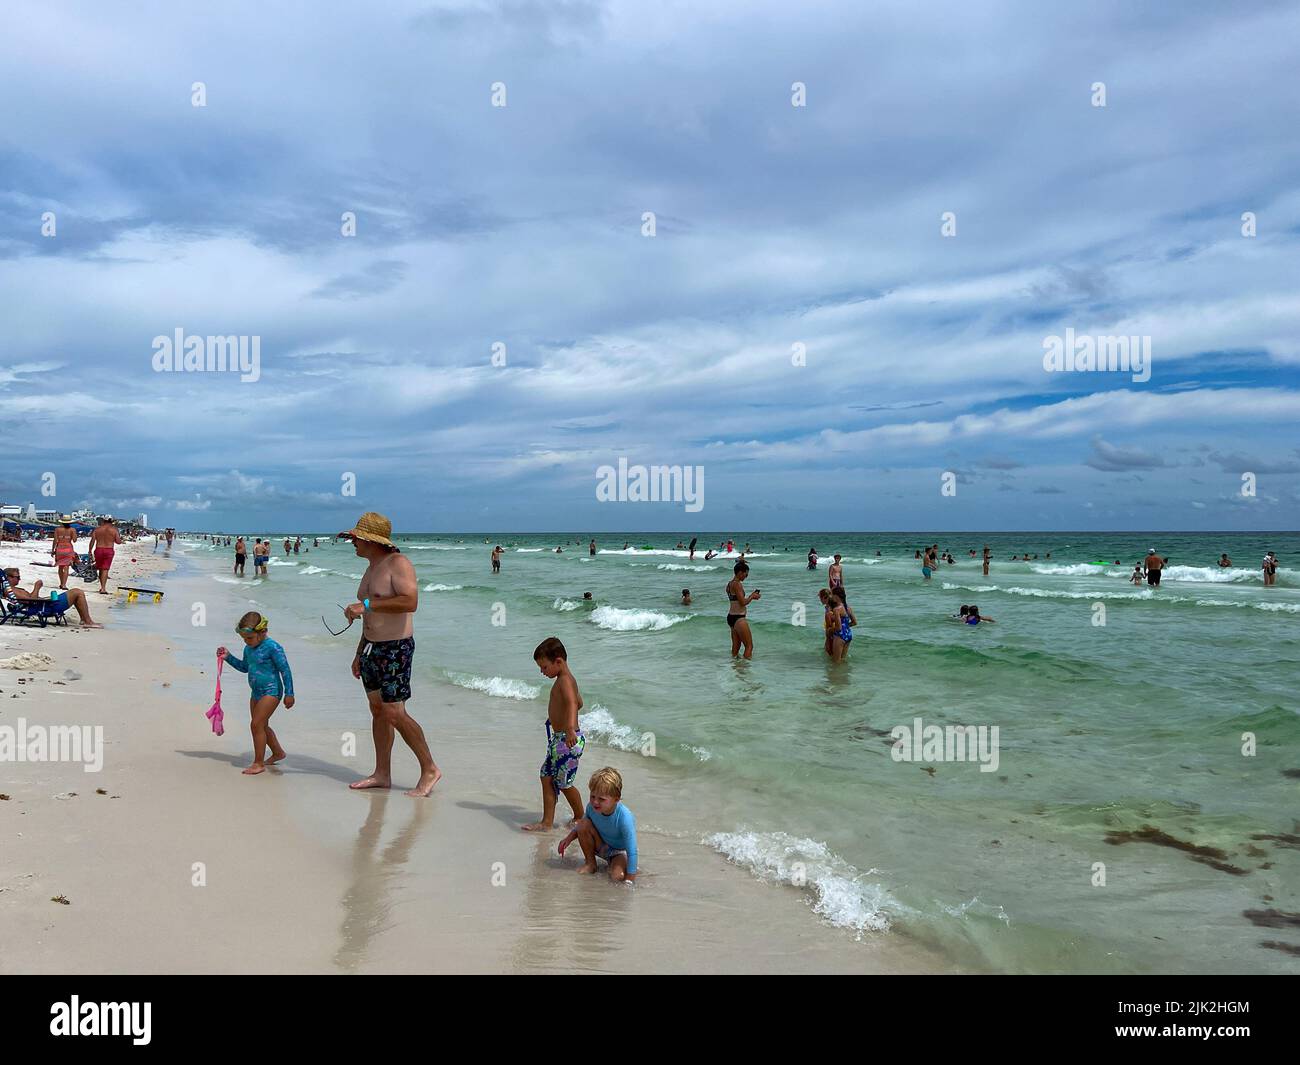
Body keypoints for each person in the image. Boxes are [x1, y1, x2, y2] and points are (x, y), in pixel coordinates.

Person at [340, 512, 440, 797]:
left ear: (372, 540)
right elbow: (369, 614)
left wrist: (366, 605)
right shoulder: (371, 566)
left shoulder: (399, 563)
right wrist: (359, 652)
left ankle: (430, 768)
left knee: (394, 712)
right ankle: (382, 773)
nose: (353, 542)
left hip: (396, 648)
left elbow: (410, 601)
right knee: (378, 711)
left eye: (356, 538)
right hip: (371, 647)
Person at [217, 612, 295, 775]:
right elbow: (245, 668)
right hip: (256, 692)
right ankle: (278, 752)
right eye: (244, 639)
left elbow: (285, 670)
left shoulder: (273, 647)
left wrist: (289, 693)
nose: (246, 641)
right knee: (262, 725)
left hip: (272, 690)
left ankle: (258, 763)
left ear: (262, 632)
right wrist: (228, 657)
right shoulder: (248, 648)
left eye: (250, 638)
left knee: (256, 725)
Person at [522, 637, 586, 832]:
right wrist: (556, 718)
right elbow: (579, 701)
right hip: (559, 739)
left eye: (544, 667)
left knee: (565, 783)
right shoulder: (565, 680)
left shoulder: (565, 681)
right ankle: (547, 822)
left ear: (558, 661)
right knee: (546, 776)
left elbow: (573, 704)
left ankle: (580, 816)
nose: (542, 671)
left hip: (568, 740)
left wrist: (568, 728)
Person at [558, 767, 638, 882]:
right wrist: (568, 839)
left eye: (601, 799)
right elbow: (581, 826)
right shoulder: (591, 808)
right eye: (592, 796)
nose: (595, 802)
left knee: (618, 877)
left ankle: (620, 866)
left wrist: (630, 880)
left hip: (619, 852)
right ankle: (591, 864)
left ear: (616, 799)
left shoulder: (625, 817)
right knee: (584, 823)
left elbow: (632, 851)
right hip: (601, 845)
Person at [2, 567, 101, 626]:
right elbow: (30, 601)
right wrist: (37, 587)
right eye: (17, 577)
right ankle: (87, 621)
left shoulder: (11, 589)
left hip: (43, 605)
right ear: (8, 577)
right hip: (45, 607)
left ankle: (84, 619)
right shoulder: (11, 590)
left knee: (76, 592)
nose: (19, 579)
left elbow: (30, 600)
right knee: (77, 592)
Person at [726, 560, 760, 659]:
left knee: (736, 647)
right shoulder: (737, 584)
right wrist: (752, 596)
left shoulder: (729, 584)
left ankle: (734, 667)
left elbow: (735, 600)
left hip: (731, 617)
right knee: (749, 646)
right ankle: (745, 670)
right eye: (746, 574)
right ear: (740, 572)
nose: (746, 577)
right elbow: (743, 602)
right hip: (739, 617)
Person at [89, 516, 122, 595]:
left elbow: (92, 541)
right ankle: (103, 588)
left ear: (103, 521)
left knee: (100, 568)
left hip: (99, 549)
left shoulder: (97, 529)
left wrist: (89, 550)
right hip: (108, 550)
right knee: (105, 569)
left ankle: (101, 587)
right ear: (111, 522)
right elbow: (118, 541)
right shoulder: (114, 530)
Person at [829, 588, 855, 661]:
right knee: (843, 660)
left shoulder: (837, 609)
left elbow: (838, 628)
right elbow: (854, 622)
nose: (831, 597)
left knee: (836, 662)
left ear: (836, 596)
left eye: (832, 594)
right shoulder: (848, 608)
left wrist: (830, 630)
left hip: (840, 636)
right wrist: (845, 627)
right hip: (848, 634)